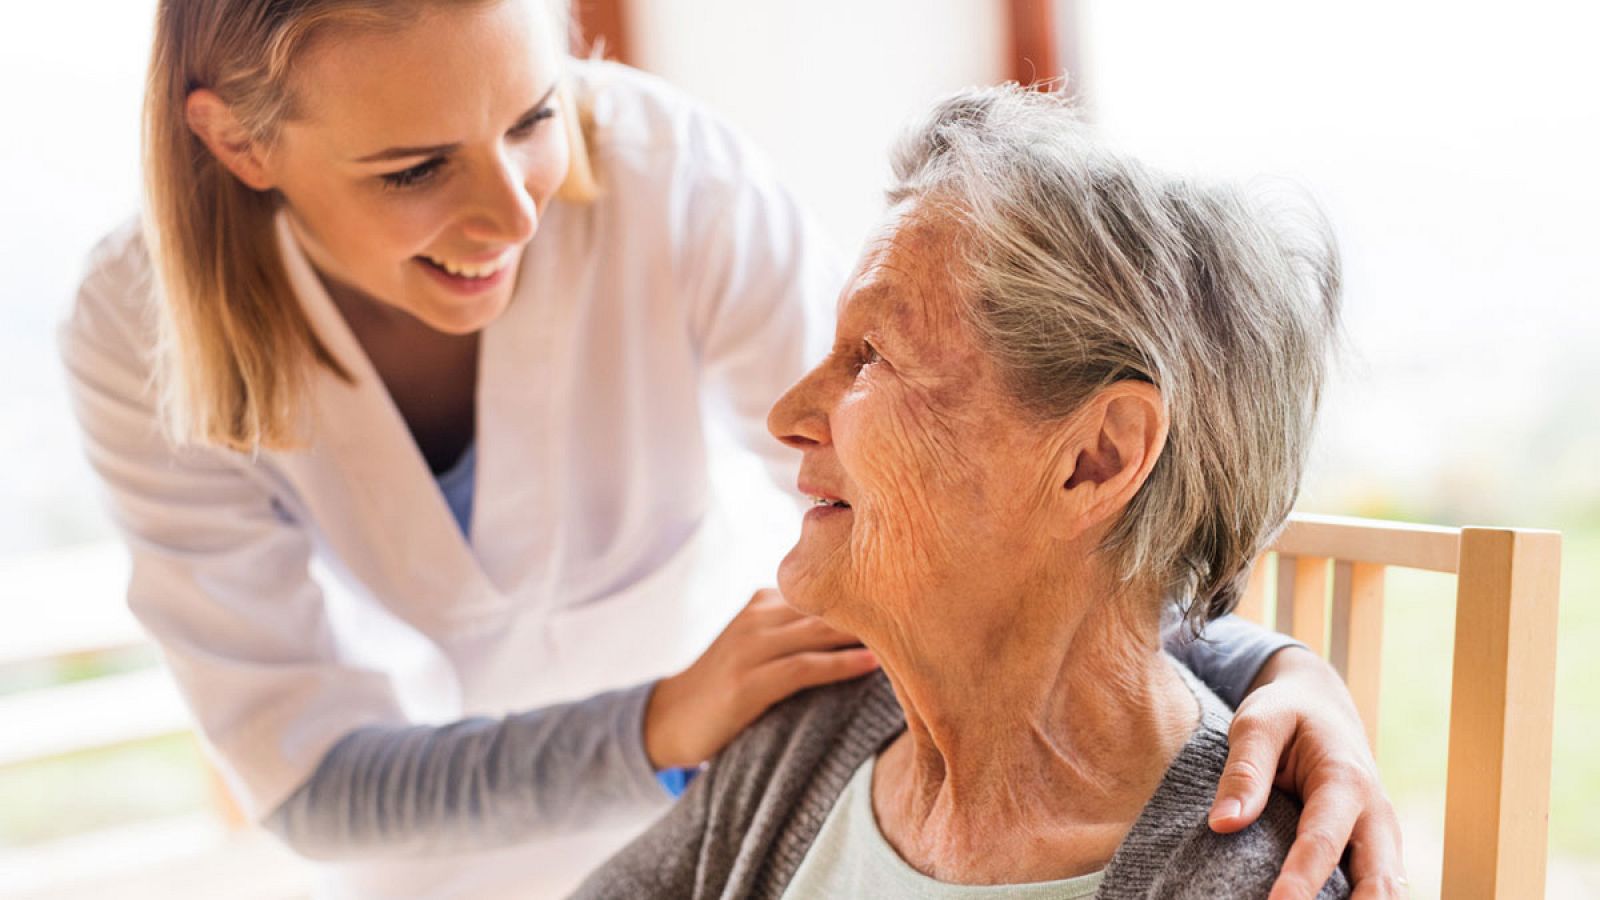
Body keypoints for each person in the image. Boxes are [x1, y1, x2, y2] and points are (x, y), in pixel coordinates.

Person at [60, 1, 1402, 897]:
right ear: (236, 140)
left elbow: (975, 510)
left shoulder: (665, 174)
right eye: (412, 168)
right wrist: (659, 726)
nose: (510, 211)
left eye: (535, 118)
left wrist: (1263, 662)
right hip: (504, 846)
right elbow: (311, 774)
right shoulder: (134, 335)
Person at [577, 84, 1358, 899]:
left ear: (1096, 457)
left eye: (872, 355)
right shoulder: (807, 737)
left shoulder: (1248, 880)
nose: (788, 417)